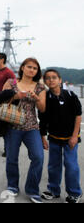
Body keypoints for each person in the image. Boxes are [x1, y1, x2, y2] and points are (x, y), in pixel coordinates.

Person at [2, 57, 46, 203]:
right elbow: (1, 100)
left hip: (32, 127)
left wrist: (36, 98)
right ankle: (12, 186)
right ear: (22, 68)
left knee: (38, 157)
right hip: (12, 125)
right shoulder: (11, 83)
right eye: (29, 67)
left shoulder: (40, 87)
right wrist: (16, 95)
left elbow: (43, 108)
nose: (32, 70)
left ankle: (32, 190)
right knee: (12, 158)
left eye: (35, 68)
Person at [40, 69, 82, 203]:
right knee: (53, 165)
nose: (51, 80)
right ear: (45, 81)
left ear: (60, 80)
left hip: (70, 139)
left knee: (71, 165)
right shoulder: (45, 97)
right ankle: (53, 190)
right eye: (48, 78)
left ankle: (75, 193)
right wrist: (43, 137)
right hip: (54, 138)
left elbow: (78, 116)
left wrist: (74, 136)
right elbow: (43, 120)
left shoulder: (70, 95)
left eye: (54, 77)